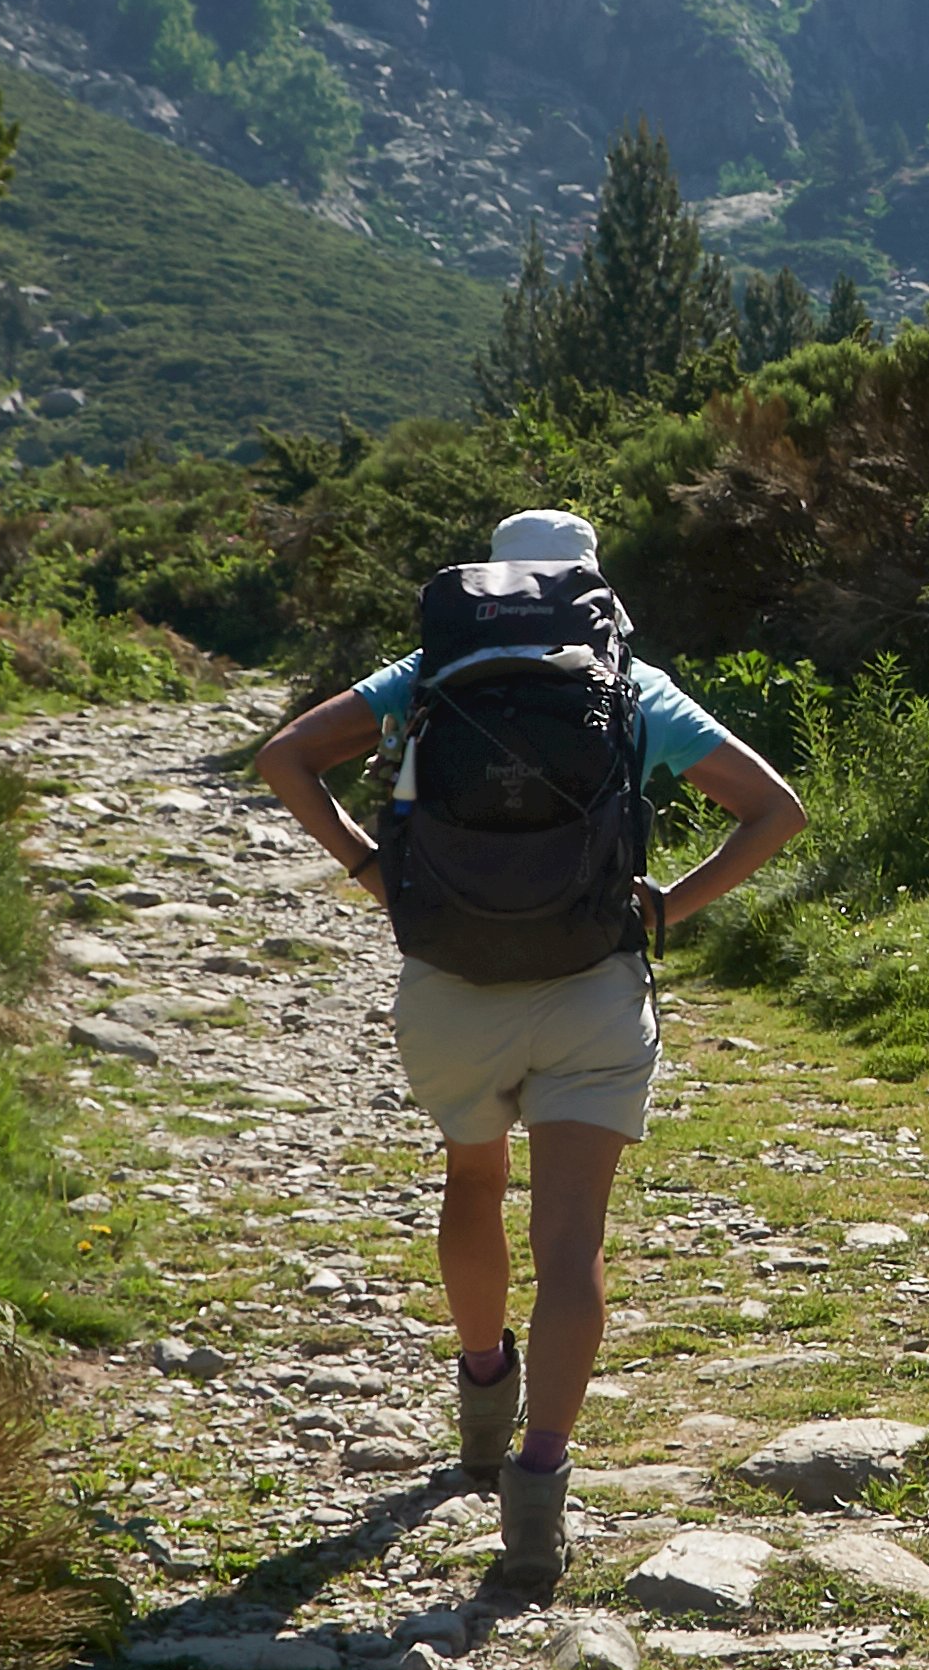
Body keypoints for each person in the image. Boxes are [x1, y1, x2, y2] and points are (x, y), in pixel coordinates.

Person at [252, 507, 806, 1602]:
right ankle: (539, 1486)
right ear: (587, 585)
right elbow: (774, 810)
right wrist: (668, 909)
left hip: (452, 985)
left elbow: (286, 757)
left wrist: (380, 875)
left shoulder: (425, 673)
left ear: (489, 585)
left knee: (473, 1174)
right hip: (593, 986)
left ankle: (478, 1391)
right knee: (572, 1243)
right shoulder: (624, 682)